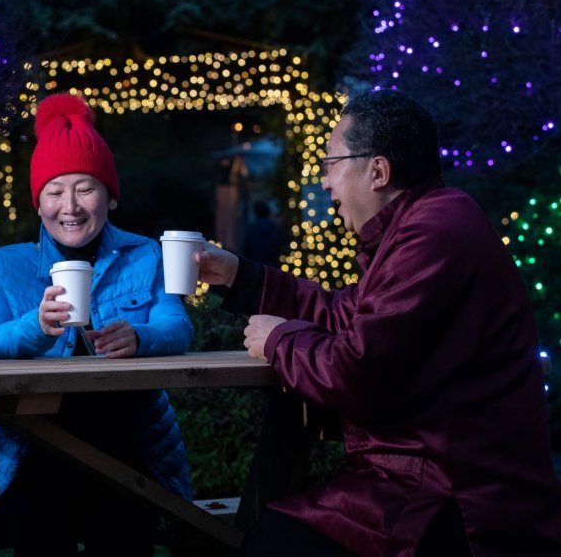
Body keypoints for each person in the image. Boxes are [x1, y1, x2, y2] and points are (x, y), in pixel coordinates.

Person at [195, 89, 561, 556]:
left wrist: (279, 339)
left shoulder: (434, 232)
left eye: (331, 164)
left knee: (275, 542)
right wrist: (240, 276)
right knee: (273, 529)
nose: (325, 183)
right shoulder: (424, 224)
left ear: (378, 171)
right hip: (436, 475)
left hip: (461, 496)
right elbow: (345, 312)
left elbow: (356, 368)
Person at [0, 93, 194, 556]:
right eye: (55, 191)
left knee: (124, 527)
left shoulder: (145, 254)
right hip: (23, 454)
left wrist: (140, 337)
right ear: (38, 203)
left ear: (111, 195)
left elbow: (177, 326)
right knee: (39, 528)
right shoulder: (6, 265)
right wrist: (35, 326)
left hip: (126, 449)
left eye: (85, 188)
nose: (71, 206)